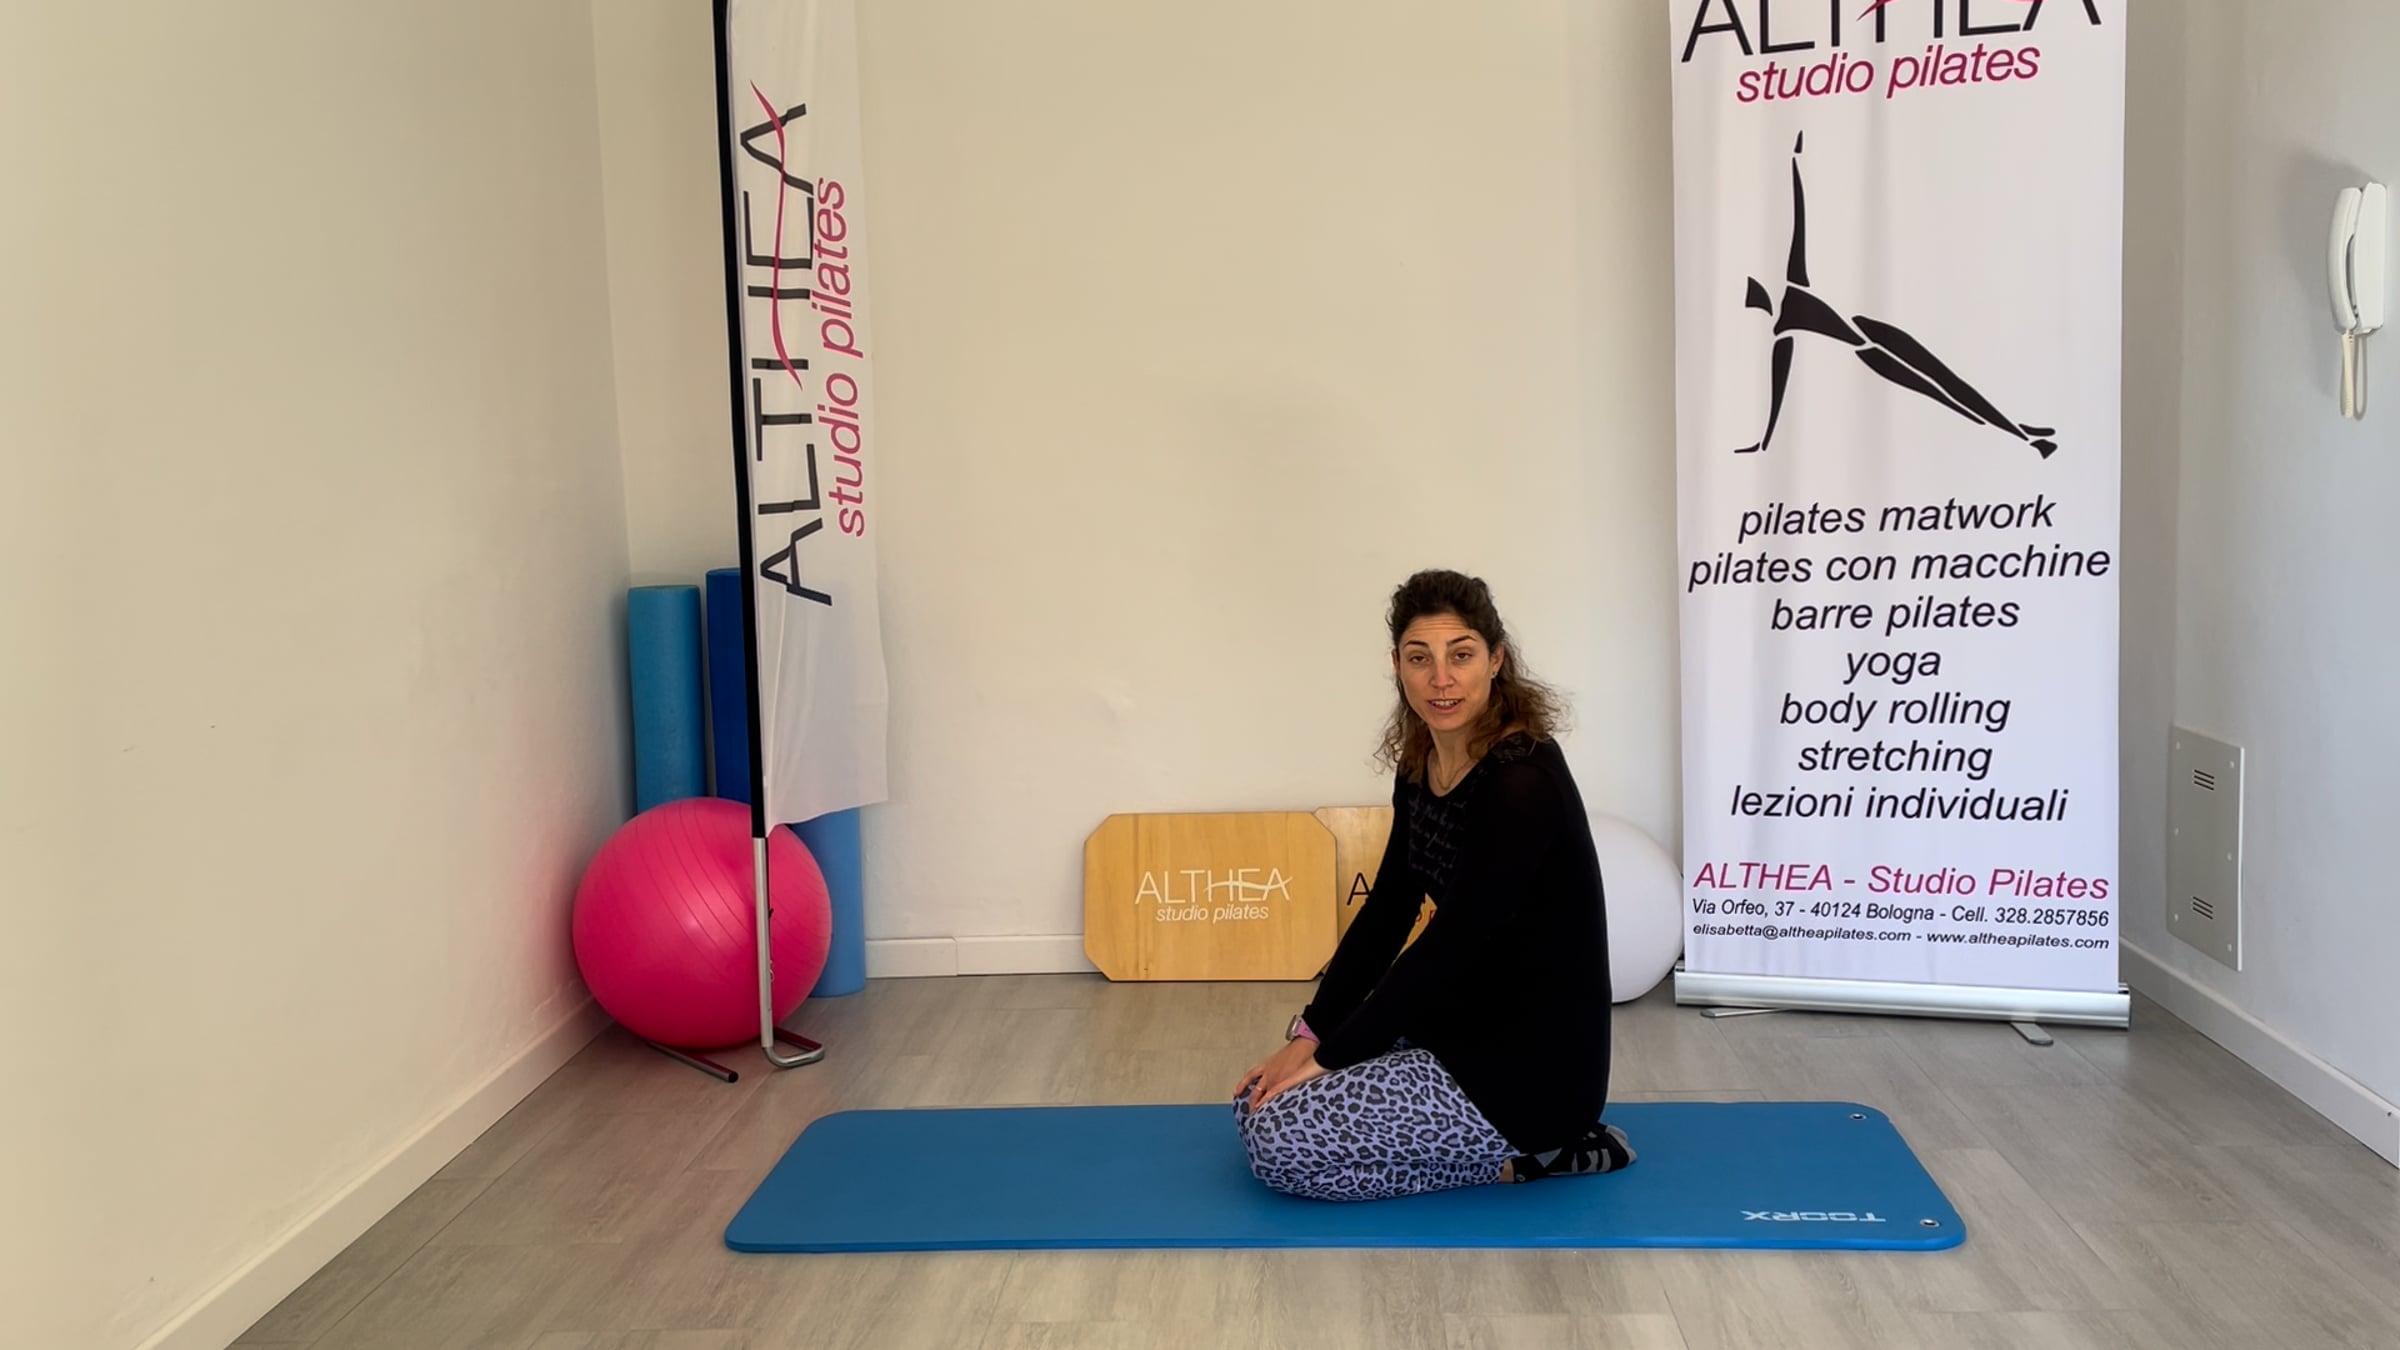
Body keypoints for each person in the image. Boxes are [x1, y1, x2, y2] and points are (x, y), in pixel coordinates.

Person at [1232, 569, 1632, 1202]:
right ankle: (1499, 1148)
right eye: (1420, 658)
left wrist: (1328, 1059)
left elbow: (1448, 947)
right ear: (1397, 666)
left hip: (1530, 1070)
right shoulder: (1421, 759)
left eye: (1461, 655)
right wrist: (1310, 1035)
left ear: (1496, 660)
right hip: (1456, 1022)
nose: (1441, 679)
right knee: (1256, 1104)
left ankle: (1543, 1155)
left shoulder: (1521, 782)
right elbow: (1388, 910)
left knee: (1278, 1146)